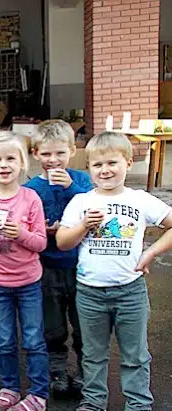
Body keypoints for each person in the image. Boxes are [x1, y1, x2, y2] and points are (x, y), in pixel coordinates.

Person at [57, 132, 172, 411]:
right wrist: (83, 225)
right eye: (97, 165)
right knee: (93, 354)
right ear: (89, 169)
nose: (105, 170)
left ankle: (138, 403)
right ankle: (94, 402)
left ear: (129, 163)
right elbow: (62, 242)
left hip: (130, 290)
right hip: (89, 291)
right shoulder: (81, 202)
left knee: (136, 354)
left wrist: (151, 252)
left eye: (112, 163)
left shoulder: (140, 199)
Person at [0, 131, 48, 411]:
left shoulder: (31, 198)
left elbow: (41, 243)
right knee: (3, 340)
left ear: (23, 163)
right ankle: (10, 387)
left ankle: (38, 393)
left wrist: (21, 234)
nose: (4, 165)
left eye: (11, 158)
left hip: (28, 282)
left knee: (34, 338)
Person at [24, 119, 92, 398]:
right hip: (46, 265)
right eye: (47, 153)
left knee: (83, 324)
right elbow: (25, 223)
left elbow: (96, 208)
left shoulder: (83, 180)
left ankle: (87, 372)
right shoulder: (30, 188)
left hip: (81, 265)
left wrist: (71, 189)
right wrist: (43, 229)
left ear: (72, 151)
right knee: (52, 325)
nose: (53, 160)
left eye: (60, 153)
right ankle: (58, 371)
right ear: (36, 153)